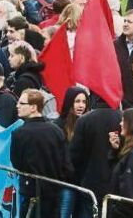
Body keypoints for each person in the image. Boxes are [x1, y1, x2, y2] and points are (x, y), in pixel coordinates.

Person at [10, 89, 68, 218]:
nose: (17, 106)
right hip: (54, 192)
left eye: (21, 103)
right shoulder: (56, 131)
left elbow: (17, 163)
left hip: (31, 190)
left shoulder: (20, 133)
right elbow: (65, 163)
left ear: (33, 107)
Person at [69, 94, 122, 217]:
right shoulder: (123, 118)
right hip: (116, 183)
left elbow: (74, 155)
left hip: (89, 183)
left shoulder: (84, 120)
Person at [53, 87, 89, 217]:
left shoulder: (87, 124)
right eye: (77, 101)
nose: (81, 105)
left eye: (84, 102)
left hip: (83, 183)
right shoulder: (58, 126)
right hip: (65, 183)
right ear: (69, 102)